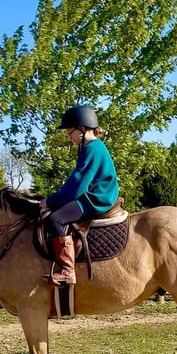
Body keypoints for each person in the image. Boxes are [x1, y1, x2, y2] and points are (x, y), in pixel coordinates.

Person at [40, 105, 119, 286]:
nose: (69, 136)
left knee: (56, 219)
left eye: (70, 132)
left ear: (82, 128)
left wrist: (51, 201)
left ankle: (67, 271)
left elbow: (77, 185)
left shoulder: (92, 148)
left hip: (97, 198)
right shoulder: (94, 147)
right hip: (96, 195)